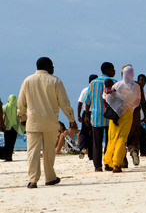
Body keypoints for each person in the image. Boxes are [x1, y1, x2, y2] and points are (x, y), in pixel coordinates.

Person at [17, 57, 76, 188]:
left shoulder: (27, 81)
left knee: (32, 152)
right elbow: (64, 103)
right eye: (52, 66)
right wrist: (71, 119)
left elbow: (21, 103)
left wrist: (22, 117)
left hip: (33, 122)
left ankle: (33, 180)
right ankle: (50, 178)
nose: (53, 69)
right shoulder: (55, 81)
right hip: (50, 122)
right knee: (49, 151)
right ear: (48, 66)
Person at [104, 65, 141, 173]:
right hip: (128, 114)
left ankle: (107, 161)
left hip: (115, 114)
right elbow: (136, 102)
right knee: (122, 138)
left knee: (112, 138)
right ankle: (116, 164)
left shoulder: (118, 85)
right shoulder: (136, 87)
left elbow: (108, 98)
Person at [83, 62, 117, 172]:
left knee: (96, 143)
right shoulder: (115, 83)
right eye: (112, 69)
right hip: (111, 117)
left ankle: (98, 166)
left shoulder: (93, 83)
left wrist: (87, 114)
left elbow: (87, 100)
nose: (114, 71)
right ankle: (108, 164)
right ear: (107, 70)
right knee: (110, 141)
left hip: (96, 116)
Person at [77, 74, 98, 160]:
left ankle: (83, 147)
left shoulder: (85, 90)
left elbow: (80, 103)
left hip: (85, 113)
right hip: (94, 113)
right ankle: (91, 155)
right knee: (93, 134)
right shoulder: (97, 90)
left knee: (84, 132)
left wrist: (78, 115)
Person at [2, 95, 26, 161]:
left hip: (7, 127)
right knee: (12, 143)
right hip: (15, 128)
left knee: (7, 143)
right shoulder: (18, 108)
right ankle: (9, 156)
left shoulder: (5, 107)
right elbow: (22, 116)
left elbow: (1, 113)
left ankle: (6, 156)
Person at [137, 74, 146, 157]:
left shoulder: (143, 90)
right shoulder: (138, 90)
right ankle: (142, 151)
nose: (143, 82)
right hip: (139, 117)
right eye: (141, 80)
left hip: (142, 117)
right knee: (142, 134)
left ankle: (143, 152)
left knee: (145, 134)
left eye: (144, 80)